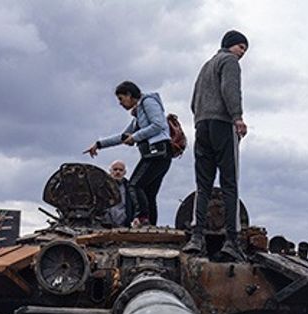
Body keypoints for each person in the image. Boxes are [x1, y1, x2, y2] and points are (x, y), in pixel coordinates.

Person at [182, 30, 249, 261]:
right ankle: (232, 240)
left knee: (203, 185)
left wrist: (201, 118)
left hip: (201, 126)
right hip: (222, 124)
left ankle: (196, 236)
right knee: (230, 183)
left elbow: (193, 101)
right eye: (242, 47)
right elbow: (230, 89)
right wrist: (237, 117)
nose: (243, 53)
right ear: (231, 45)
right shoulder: (229, 61)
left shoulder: (205, 66)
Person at [84, 81, 173, 226]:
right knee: (149, 193)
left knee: (134, 185)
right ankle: (150, 225)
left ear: (129, 95)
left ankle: (142, 218)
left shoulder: (148, 102)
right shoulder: (138, 116)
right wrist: (99, 144)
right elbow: (123, 136)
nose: (120, 103)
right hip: (156, 154)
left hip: (158, 152)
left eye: (121, 99)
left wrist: (136, 137)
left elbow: (159, 124)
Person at [104, 160, 140, 226]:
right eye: (115, 169)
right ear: (110, 171)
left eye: (121, 170)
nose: (118, 172)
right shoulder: (102, 186)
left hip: (123, 225)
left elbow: (135, 204)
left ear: (124, 172)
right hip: (104, 224)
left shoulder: (129, 188)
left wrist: (135, 217)